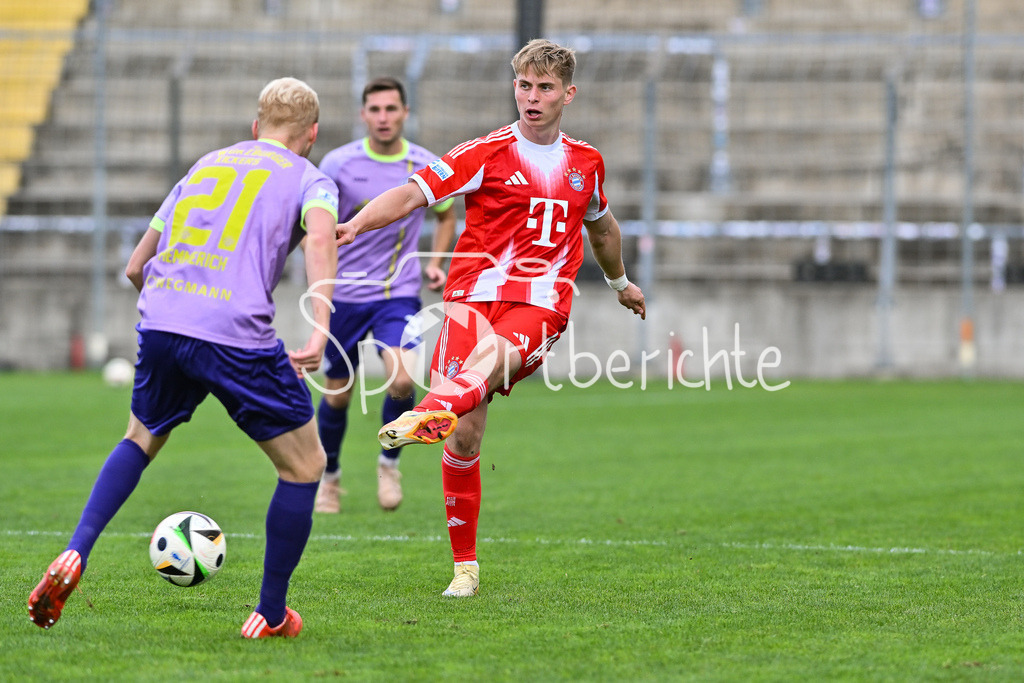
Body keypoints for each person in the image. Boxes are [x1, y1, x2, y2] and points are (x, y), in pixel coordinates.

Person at [27, 77, 339, 638]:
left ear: (255, 126)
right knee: (305, 466)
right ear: (312, 134)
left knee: (140, 437)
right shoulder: (312, 179)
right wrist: (318, 330)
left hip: (164, 319)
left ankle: (76, 551)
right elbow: (320, 241)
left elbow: (134, 267)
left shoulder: (205, 166)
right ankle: (270, 613)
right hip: (235, 332)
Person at [336, 40, 646, 597]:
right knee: (466, 437)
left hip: (541, 302)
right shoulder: (484, 153)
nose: (533, 97)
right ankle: (465, 569)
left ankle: (429, 410)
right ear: (515, 88)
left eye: (545, 88)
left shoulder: (586, 163)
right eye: (524, 85)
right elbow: (411, 195)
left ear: (567, 94)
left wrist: (620, 283)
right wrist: (355, 226)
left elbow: (601, 230)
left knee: (487, 364)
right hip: (472, 300)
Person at [314, 77, 456, 514]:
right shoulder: (339, 163)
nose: (383, 117)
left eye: (391, 109)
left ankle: (388, 464)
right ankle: (330, 478)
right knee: (337, 394)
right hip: (345, 297)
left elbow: (448, 211)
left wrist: (438, 260)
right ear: (363, 115)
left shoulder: (424, 163)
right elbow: (318, 224)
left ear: (405, 113)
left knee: (401, 380)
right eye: (374, 109)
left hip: (398, 293)